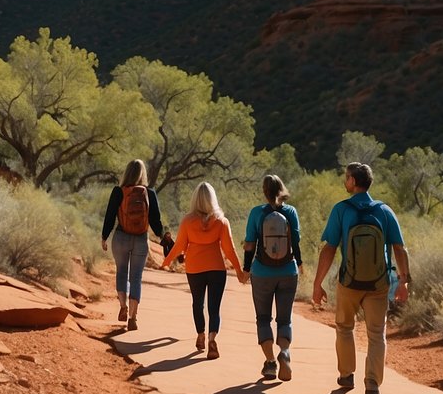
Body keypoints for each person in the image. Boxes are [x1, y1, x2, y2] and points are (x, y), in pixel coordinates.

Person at [311, 162, 410, 394]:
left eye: (346, 178)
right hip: (379, 284)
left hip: (349, 283)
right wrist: (404, 282)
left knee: (345, 327)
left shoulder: (342, 210)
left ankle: (346, 375)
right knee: (377, 334)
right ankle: (372, 384)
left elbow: (329, 249)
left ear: (354, 182)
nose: (345, 182)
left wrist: (318, 283)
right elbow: (400, 248)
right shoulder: (385, 211)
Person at [162, 181, 249, 359]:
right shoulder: (221, 222)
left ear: (195, 199)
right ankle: (212, 339)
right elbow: (229, 249)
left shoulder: (187, 221)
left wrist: (166, 261)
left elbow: (179, 245)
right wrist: (239, 271)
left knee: (197, 303)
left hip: (194, 268)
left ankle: (200, 334)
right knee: (214, 308)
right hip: (217, 268)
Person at [243, 174, 303, 381]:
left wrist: (245, 268)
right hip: (288, 271)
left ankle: (270, 364)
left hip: (261, 272)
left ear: (264, 191)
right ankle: (284, 352)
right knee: (284, 319)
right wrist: (300, 263)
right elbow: (296, 241)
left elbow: (250, 244)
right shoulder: (291, 212)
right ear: (282, 189)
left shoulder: (257, 213)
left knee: (263, 318)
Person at [101, 159, 170, 331]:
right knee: (136, 278)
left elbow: (110, 215)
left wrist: (104, 236)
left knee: (121, 273)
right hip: (140, 239)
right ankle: (133, 318)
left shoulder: (118, 191)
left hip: (121, 237)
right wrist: (163, 236)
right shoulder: (150, 193)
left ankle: (123, 306)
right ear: (143, 174)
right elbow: (155, 221)